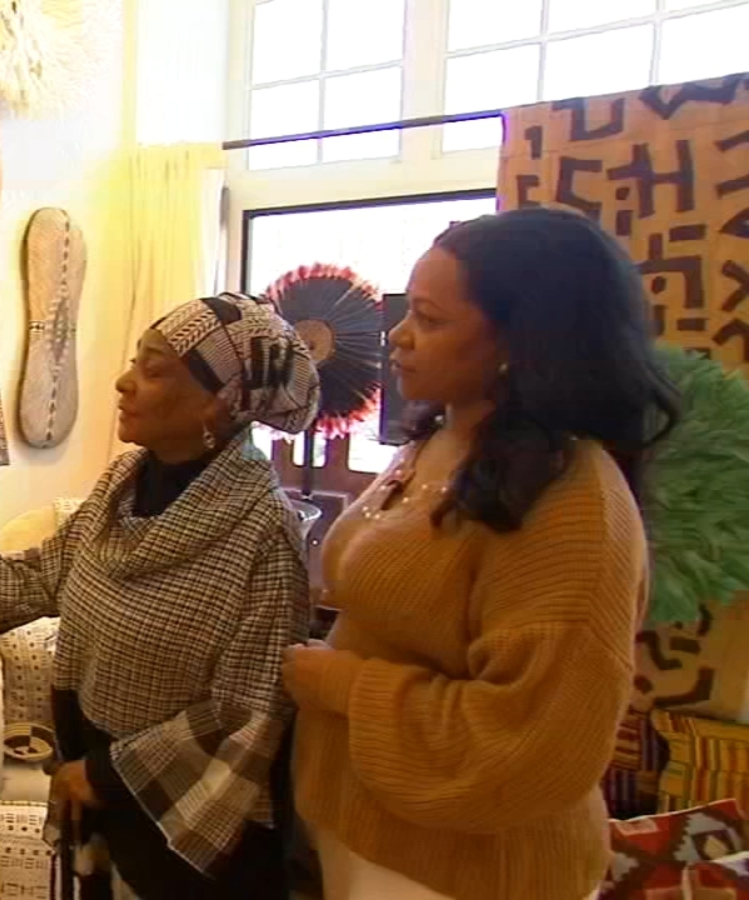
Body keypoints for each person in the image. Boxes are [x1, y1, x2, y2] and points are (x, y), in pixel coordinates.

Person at [0, 292, 321, 900]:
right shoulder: (120, 487)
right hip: (96, 778)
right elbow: (48, 576)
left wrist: (106, 776)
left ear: (220, 400)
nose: (122, 382)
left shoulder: (265, 531)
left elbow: (249, 707)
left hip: (185, 809)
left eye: (153, 370)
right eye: (135, 361)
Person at [282, 207, 679, 900]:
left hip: (463, 869)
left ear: (520, 343)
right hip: (363, 827)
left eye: (431, 321)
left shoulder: (571, 505)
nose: (399, 338)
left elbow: (529, 740)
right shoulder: (435, 441)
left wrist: (340, 685)